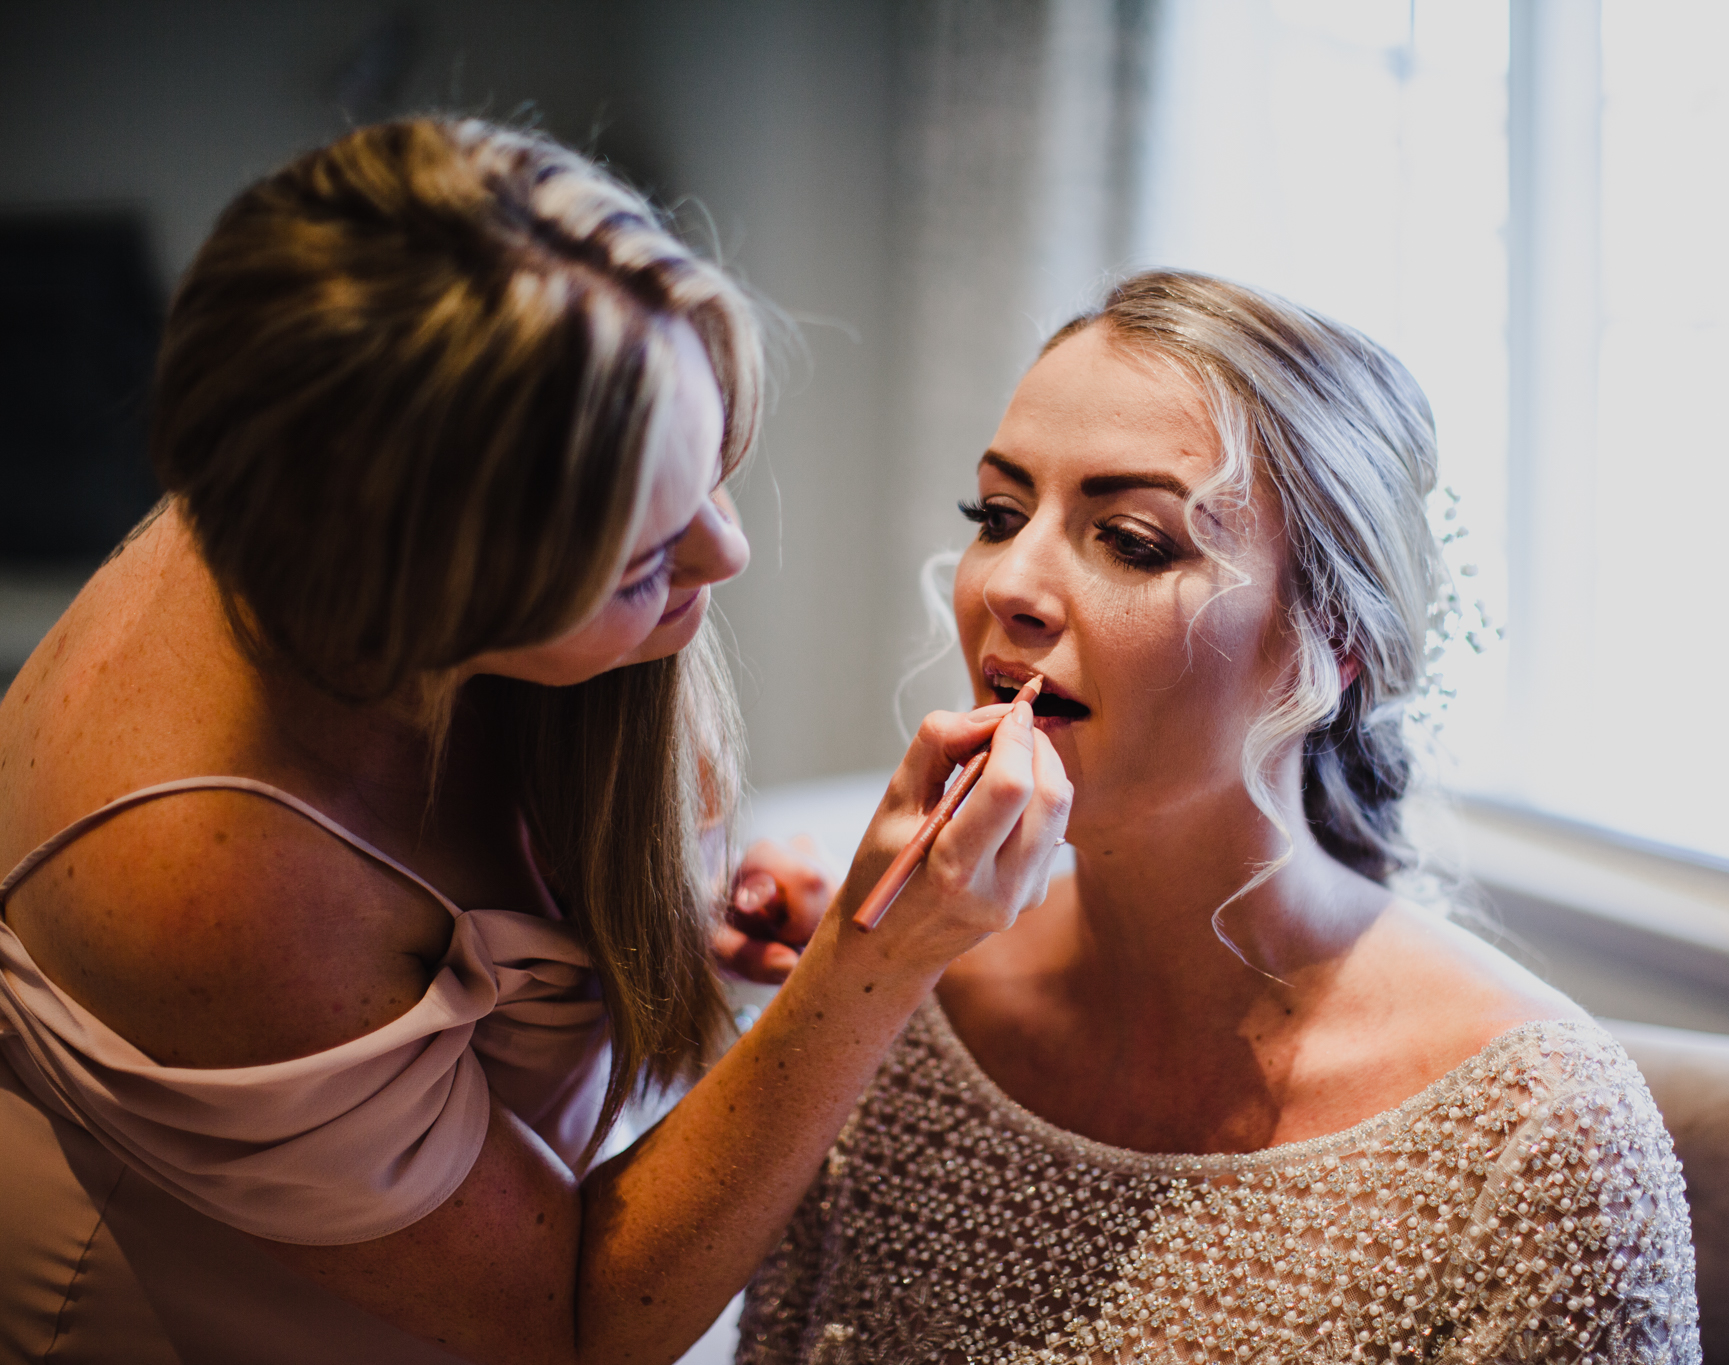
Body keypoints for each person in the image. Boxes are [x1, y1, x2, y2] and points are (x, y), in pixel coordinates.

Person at [0, 118, 1071, 1365]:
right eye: (642, 560)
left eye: (710, 460)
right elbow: (572, 1324)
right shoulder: (206, 880)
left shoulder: (416, 404)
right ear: (432, 604)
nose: (727, 553)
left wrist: (666, 907)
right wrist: (879, 960)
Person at [736, 271, 1702, 1364]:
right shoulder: (890, 1004)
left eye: (1133, 541)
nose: (1010, 582)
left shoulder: (1534, 1144)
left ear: (1325, 641)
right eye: (997, 516)